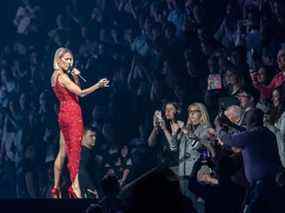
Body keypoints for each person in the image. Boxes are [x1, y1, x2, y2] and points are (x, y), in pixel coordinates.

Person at [50, 47, 109, 198]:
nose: (69, 62)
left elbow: (74, 91)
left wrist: (76, 78)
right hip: (72, 115)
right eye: (66, 59)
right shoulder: (62, 77)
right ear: (58, 60)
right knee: (75, 152)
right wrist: (98, 85)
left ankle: (56, 188)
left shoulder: (55, 76)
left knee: (62, 152)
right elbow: (81, 93)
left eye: (71, 59)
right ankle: (75, 190)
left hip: (63, 112)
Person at [216, 108, 283, 213]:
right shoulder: (267, 133)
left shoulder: (250, 136)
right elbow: (248, 132)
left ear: (250, 121)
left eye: (246, 120)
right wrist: (231, 124)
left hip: (261, 186)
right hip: (269, 183)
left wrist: (219, 128)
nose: (244, 122)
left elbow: (228, 139)